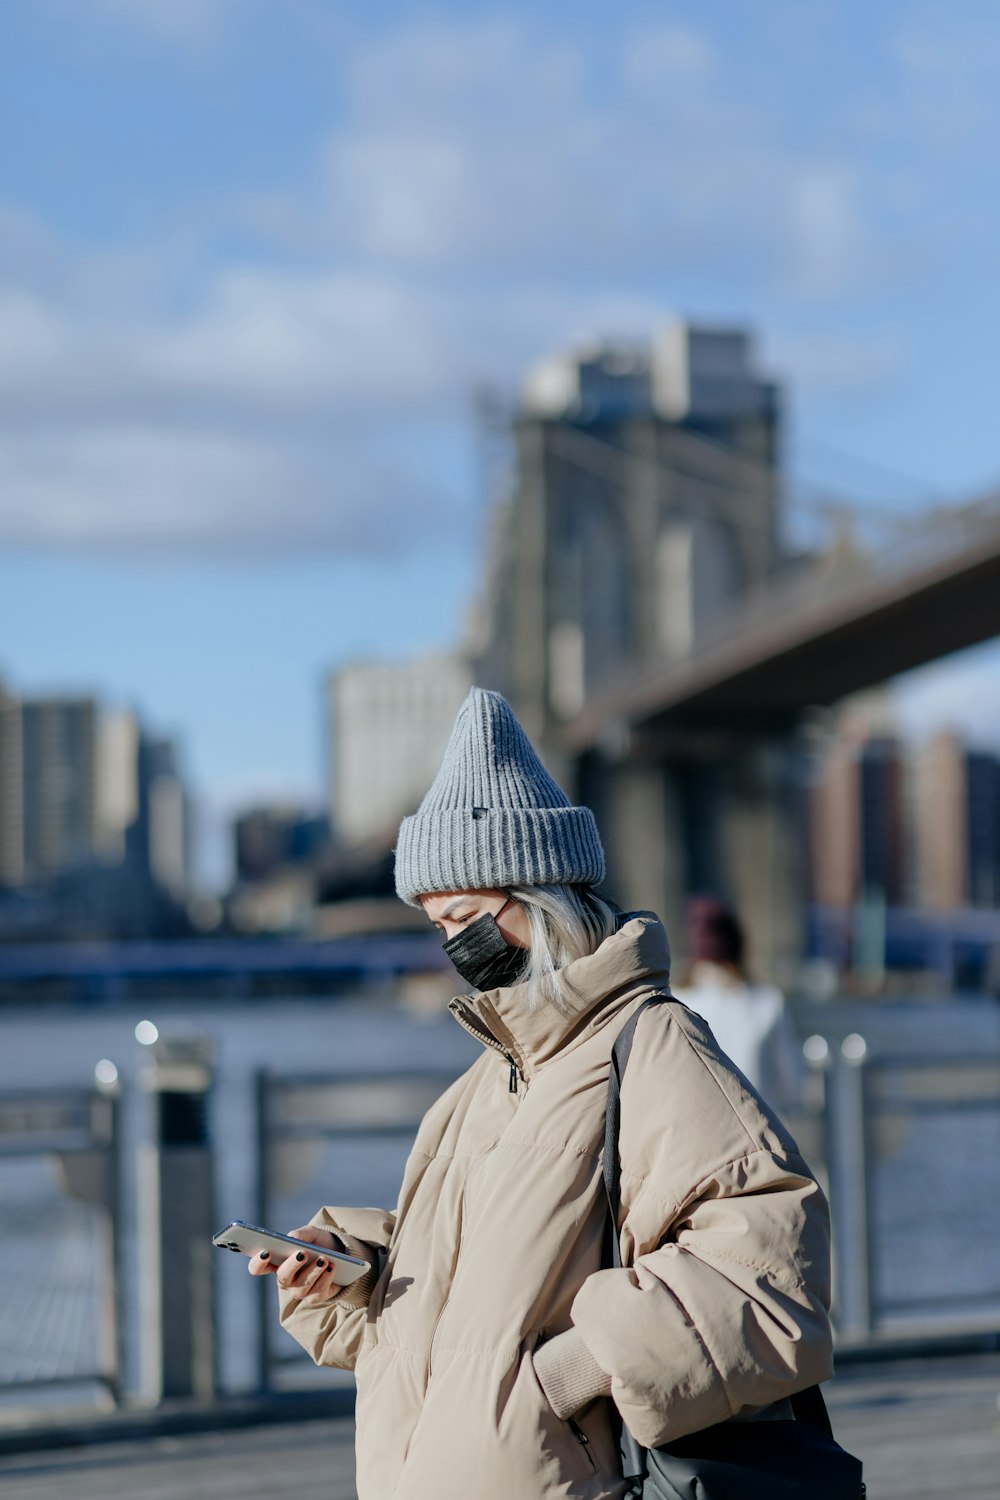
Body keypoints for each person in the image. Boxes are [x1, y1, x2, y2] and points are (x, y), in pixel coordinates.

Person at [250, 688, 833, 1499]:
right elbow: (482, 1291)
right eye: (438, 927)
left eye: (468, 917)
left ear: (539, 900)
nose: (456, 946)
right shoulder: (480, 1086)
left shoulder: (652, 1042)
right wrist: (357, 1272)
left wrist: (567, 1375)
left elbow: (769, 1277)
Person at [672, 896, 805, 1113]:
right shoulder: (767, 1003)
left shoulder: (673, 1002)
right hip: (758, 1132)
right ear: (738, 946)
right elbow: (793, 1084)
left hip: (694, 1133)